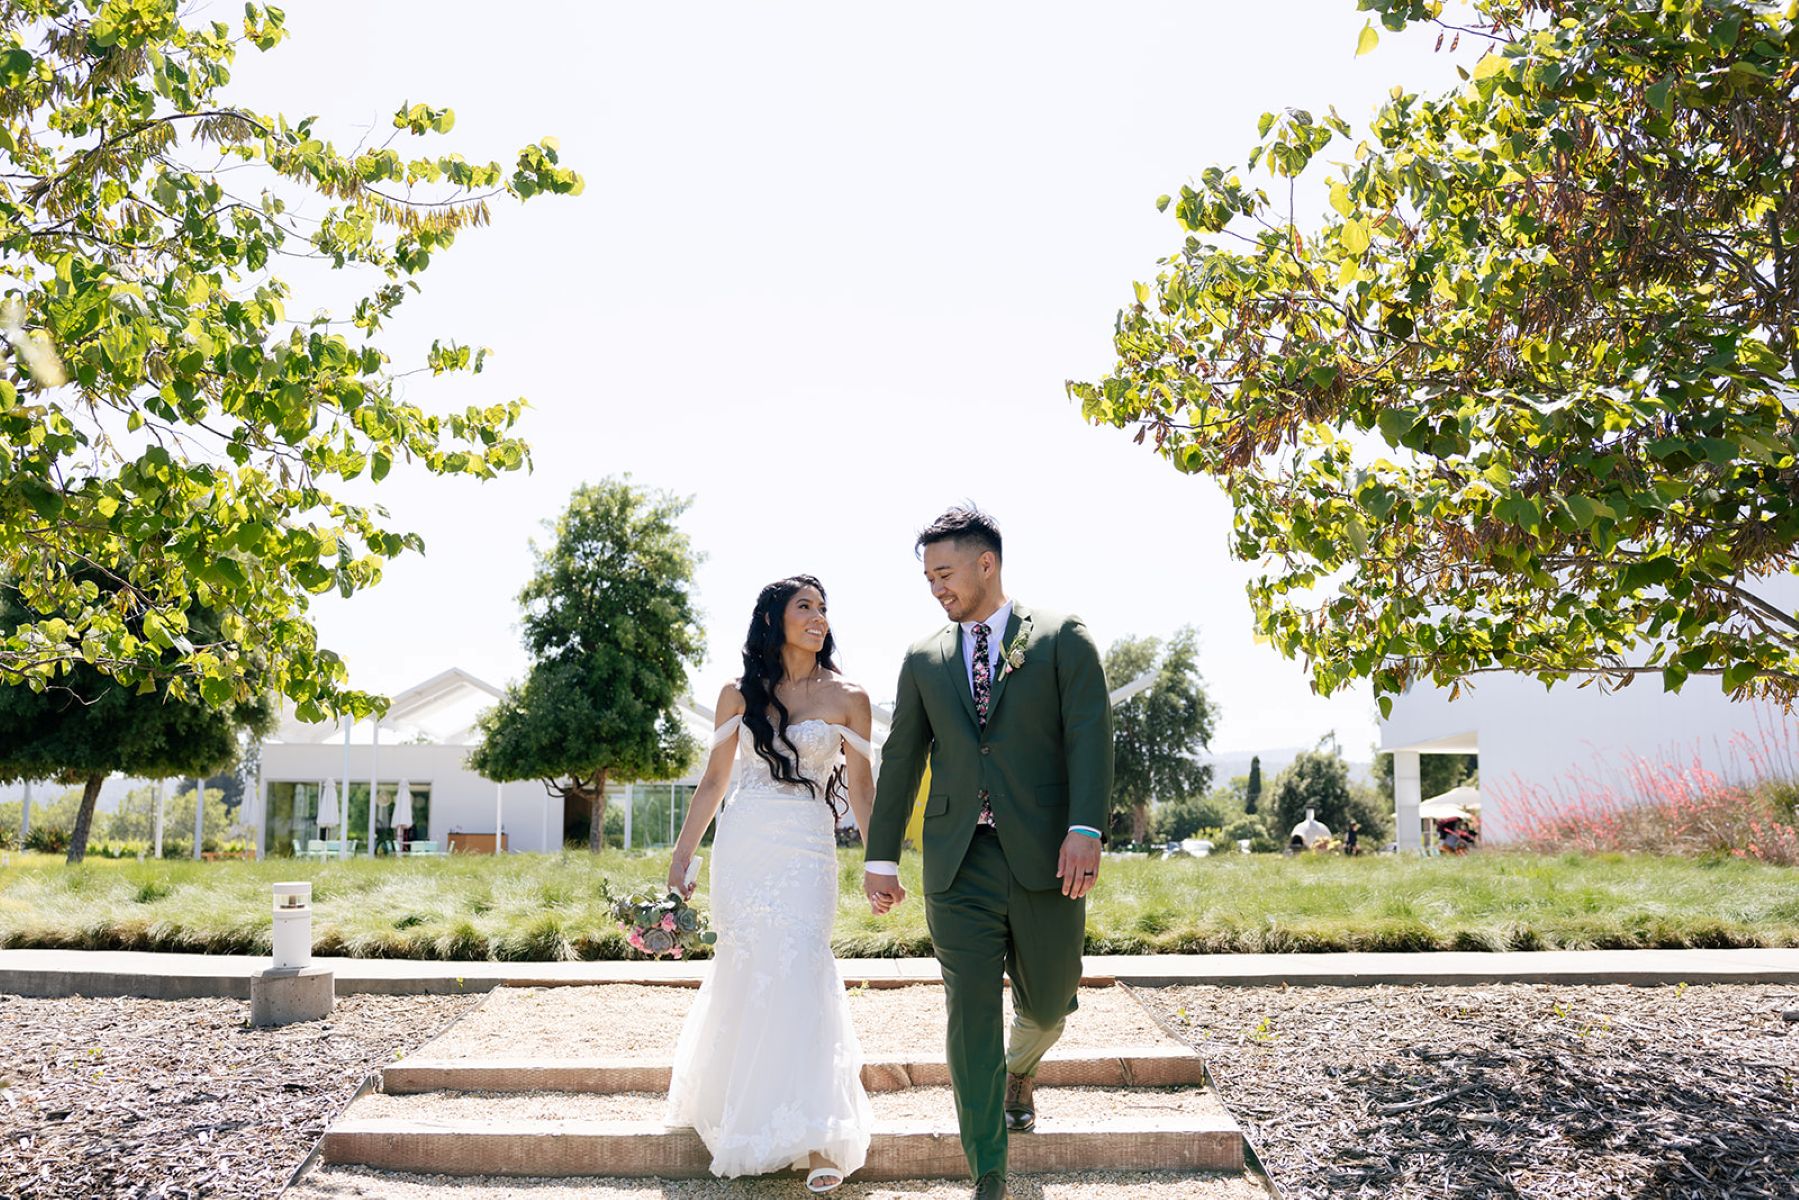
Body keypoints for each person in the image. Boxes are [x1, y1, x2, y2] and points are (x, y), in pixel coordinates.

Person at [864, 507, 1114, 1200]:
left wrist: (1085, 828)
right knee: (967, 1009)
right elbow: (903, 755)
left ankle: (1022, 1067)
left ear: (986, 564)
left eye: (944, 573)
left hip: (1045, 853)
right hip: (955, 861)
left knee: (1051, 1004)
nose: (935, 588)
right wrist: (879, 856)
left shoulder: (1062, 638)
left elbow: (1089, 736)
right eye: (926, 577)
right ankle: (988, 1171)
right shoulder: (922, 657)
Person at [664, 576, 876, 1194]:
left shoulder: (850, 696)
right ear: (773, 620)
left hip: (808, 848)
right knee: (751, 965)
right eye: (803, 607)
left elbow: (861, 789)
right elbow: (713, 782)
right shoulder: (737, 693)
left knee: (802, 963)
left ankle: (818, 1135)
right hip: (745, 845)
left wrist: (878, 860)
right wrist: (681, 860)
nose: (818, 617)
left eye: (823, 608)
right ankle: (744, 1111)